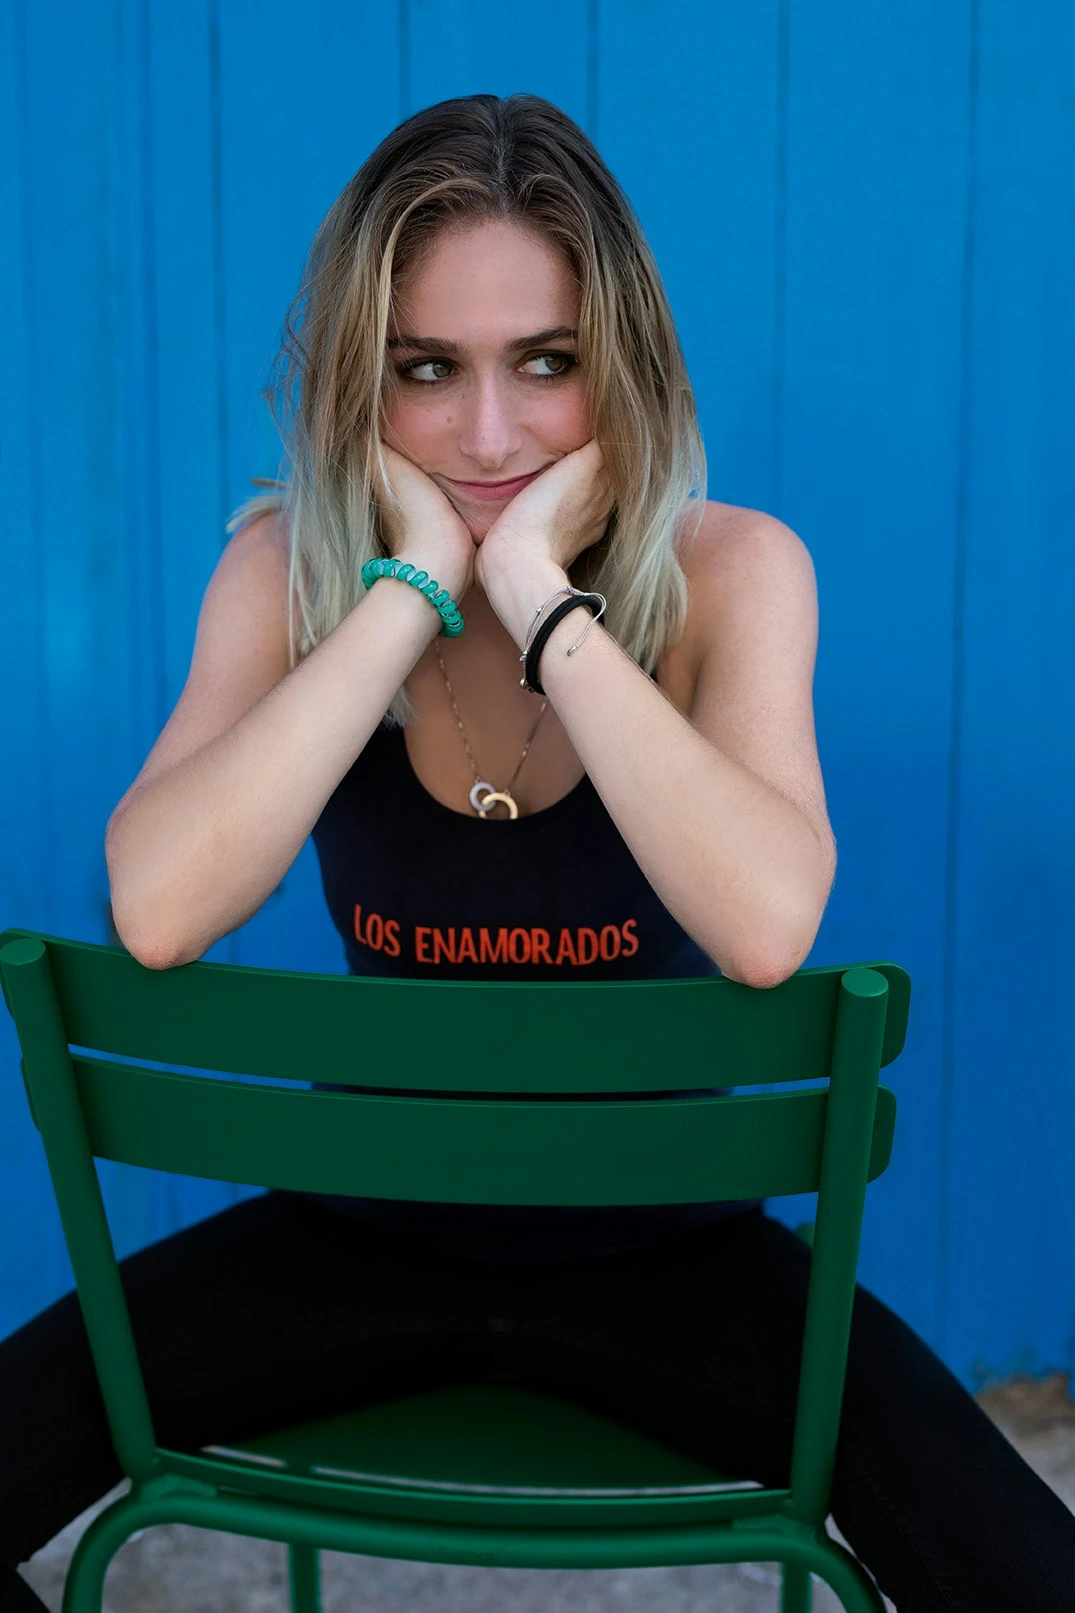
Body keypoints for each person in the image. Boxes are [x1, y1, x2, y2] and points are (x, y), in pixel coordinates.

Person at [1, 92, 1073, 1613]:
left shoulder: (731, 574)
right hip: (353, 1234)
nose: (490, 433)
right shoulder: (285, 576)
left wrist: (537, 593)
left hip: (674, 1257)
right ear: (355, 388)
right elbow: (160, 909)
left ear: (624, 368)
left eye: (548, 363)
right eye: (425, 369)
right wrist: (409, 591)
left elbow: (768, 925)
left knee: (1026, 1570)